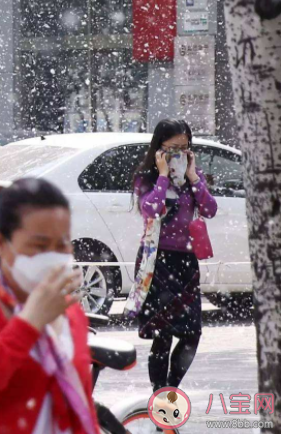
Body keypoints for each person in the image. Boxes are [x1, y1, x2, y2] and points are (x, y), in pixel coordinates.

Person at [0, 178, 100, 434]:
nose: (52, 255)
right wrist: (29, 323)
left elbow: (80, 407)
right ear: (2, 244)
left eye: (61, 245)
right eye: (39, 246)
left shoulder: (70, 313)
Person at [131, 119, 218, 393]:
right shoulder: (146, 178)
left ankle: (169, 391)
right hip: (157, 262)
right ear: (159, 148)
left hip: (185, 264)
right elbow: (152, 210)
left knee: (192, 333)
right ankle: (160, 397)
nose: (179, 154)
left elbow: (210, 209)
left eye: (184, 148)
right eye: (172, 148)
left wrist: (193, 178)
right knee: (162, 335)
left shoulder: (194, 177)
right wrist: (162, 176)